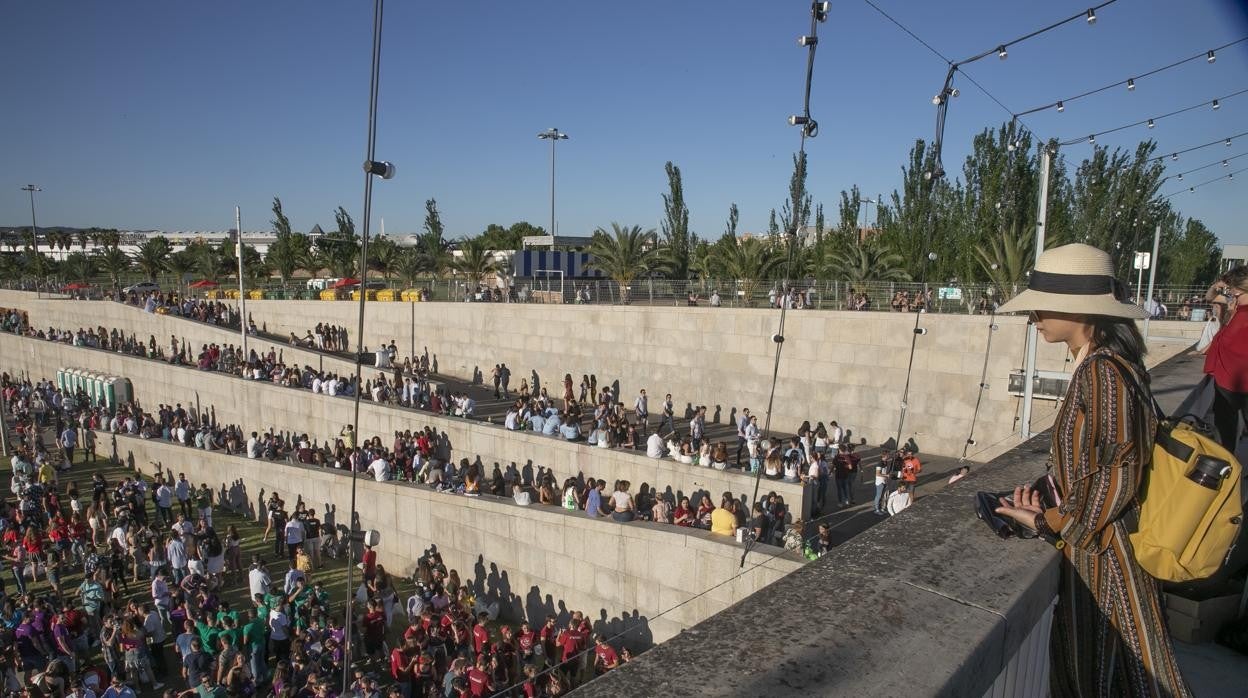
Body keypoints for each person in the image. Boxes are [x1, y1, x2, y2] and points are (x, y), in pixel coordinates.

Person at [991, 243, 1190, 696]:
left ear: (1078, 311)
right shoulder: (1113, 366)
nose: (1033, 317)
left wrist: (1048, 521)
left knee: (1114, 676)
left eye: (1041, 307)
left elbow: (1114, 473)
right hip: (1105, 551)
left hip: (1107, 561)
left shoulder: (1103, 372)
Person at [1202, 266, 1248, 451]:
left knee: (1225, 431)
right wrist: (1217, 286)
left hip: (1229, 379)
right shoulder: (1234, 304)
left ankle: (1227, 465)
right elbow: (1209, 296)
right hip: (1230, 377)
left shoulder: (1236, 306)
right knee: (1225, 427)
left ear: (1236, 288)